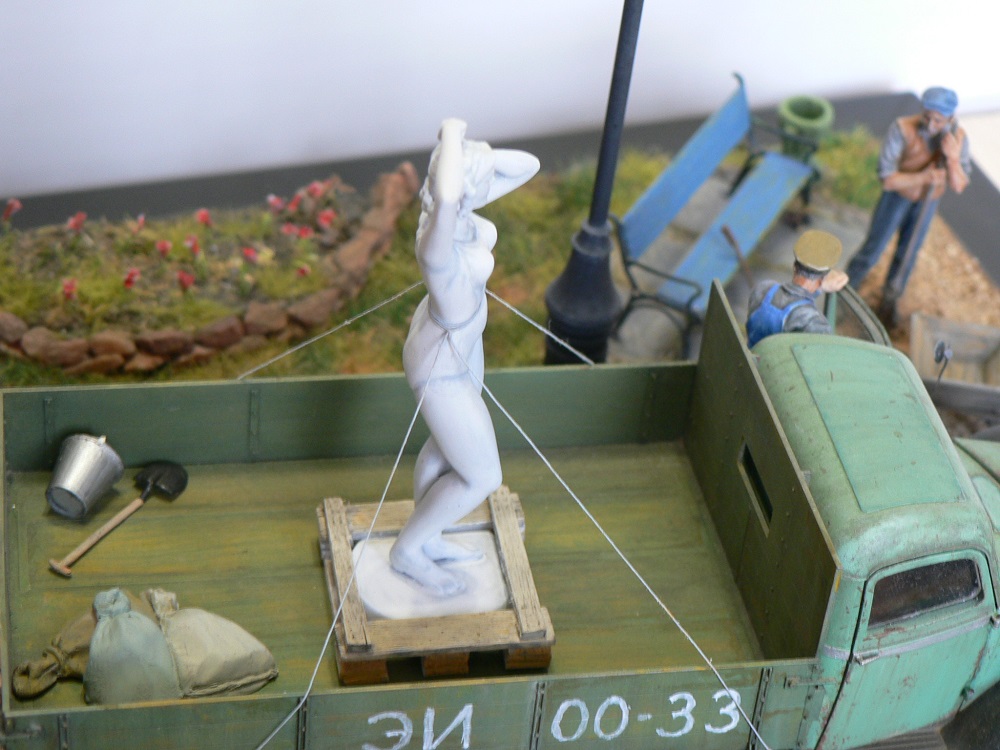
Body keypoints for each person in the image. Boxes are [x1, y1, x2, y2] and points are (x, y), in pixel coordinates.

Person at [389, 119, 539, 597]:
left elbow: (528, 166)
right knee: (483, 474)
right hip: (442, 364)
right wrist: (452, 138)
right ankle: (409, 550)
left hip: (462, 343)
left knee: (446, 445)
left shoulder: (464, 213)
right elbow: (449, 195)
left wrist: (474, 157)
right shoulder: (437, 247)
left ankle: (429, 533)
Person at [845, 87, 971, 321]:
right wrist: (923, 177)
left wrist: (953, 158)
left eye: (938, 120)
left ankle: (890, 300)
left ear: (950, 118)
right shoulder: (902, 128)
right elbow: (887, 179)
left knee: (908, 255)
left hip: (927, 202)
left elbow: (959, 185)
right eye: (927, 116)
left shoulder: (958, 139)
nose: (931, 124)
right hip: (897, 198)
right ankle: (845, 291)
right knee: (873, 249)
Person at [746, 229, 848, 348]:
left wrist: (819, 288)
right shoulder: (815, 323)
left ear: (794, 267)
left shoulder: (763, 289)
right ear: (822, 279)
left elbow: (793, 298)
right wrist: (820, 286)